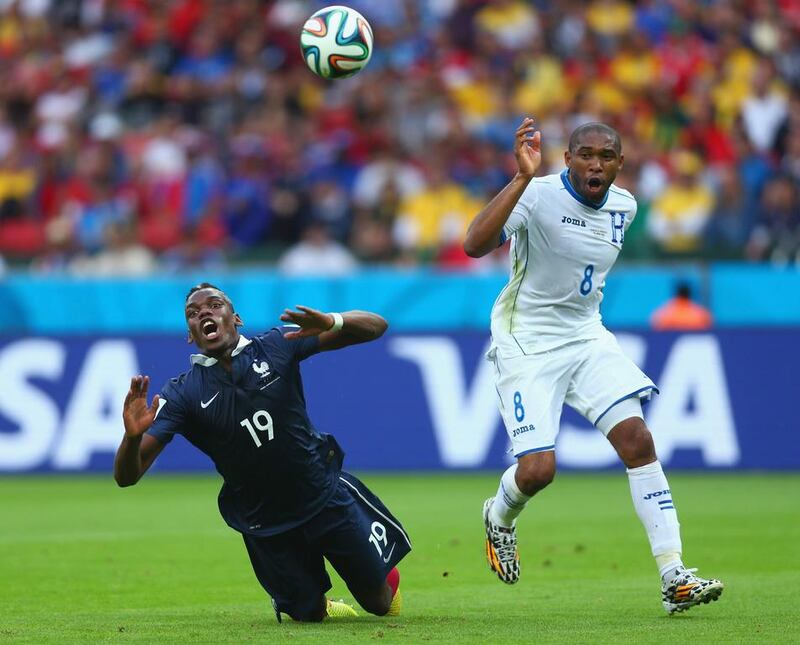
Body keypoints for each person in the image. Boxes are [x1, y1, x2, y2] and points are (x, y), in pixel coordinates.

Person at [463, 118, 723, 614]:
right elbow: (473, 245)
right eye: (585, 154)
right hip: (527, 340)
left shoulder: (625, 207)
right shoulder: (536, 196)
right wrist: (519, 179)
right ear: (567, 159)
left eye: (606, 156)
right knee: (538, 471)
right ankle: (499, 517)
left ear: (620, 164)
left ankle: (674, 576)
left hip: (585, 336)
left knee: (638, 442)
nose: (595, 164)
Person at [115, 283, 409, 622]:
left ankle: (375, 572)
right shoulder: (182, 395)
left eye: (214, 305)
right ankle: (315, 601)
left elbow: (377, 326)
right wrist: (132, 438)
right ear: (190, 336)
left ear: (235, 318)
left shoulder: (275, 346)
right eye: (193, 314)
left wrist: (333, 320)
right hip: (264, 520)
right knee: (309, 615)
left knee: (380, 604)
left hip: (321, 495)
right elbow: (127, 476)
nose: (204, 314)